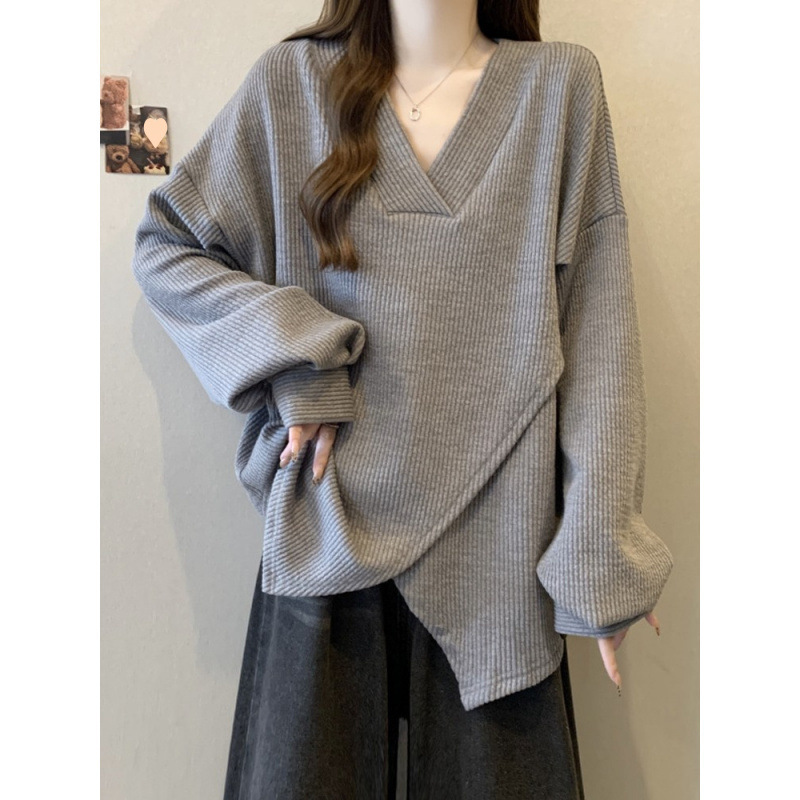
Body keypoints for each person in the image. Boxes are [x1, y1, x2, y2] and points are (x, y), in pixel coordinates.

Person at [131, 1, 674, 797]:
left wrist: (599, 552)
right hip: (327, 528)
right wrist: (302, 363)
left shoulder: (559, 90)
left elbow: (598, 334)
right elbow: (169, 246)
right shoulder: (292, 85)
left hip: (500, 560)